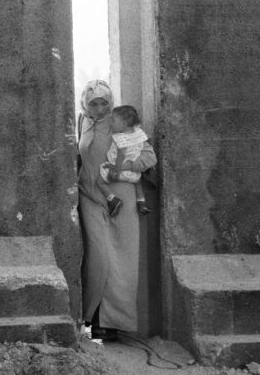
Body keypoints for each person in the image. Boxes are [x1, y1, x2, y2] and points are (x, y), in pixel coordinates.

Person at [77, 80, 157, 342]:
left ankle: (110, 325)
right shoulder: (81, 123)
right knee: (98, 257)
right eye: (93, 103)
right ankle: (87, 318)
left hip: (120, 195)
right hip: (90, 195)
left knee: (122, 260)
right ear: (85, 104)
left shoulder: (119, 122)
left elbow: (147, 154)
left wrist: (133, 165)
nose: (99, 108)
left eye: (104, 102)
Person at [94, 105, 152, 217]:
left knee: (99, 182)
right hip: (134, 174)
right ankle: (141, 202)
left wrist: (116, 169)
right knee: (138, 182)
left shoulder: (120, 138)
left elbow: (121, 154)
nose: (111, 123)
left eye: (114, 121)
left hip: (120, 171)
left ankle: (113, 200)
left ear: (124, 124)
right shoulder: (138, 134)